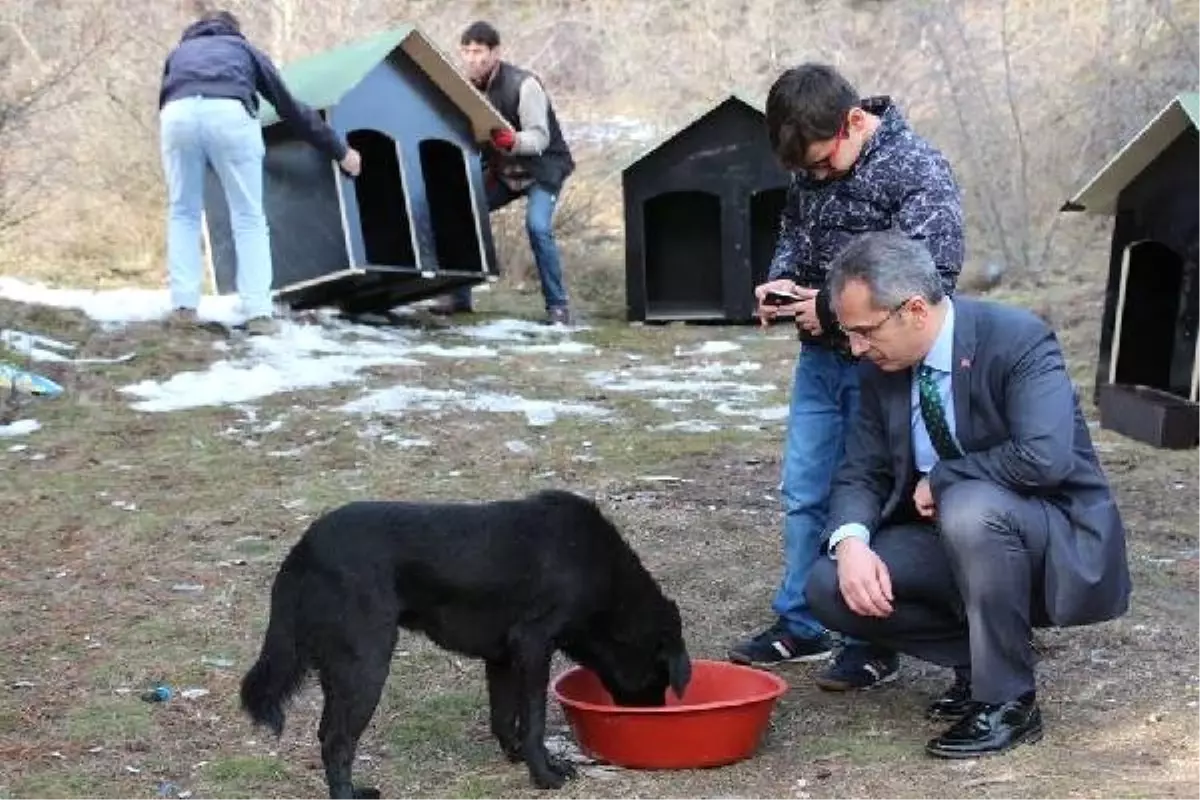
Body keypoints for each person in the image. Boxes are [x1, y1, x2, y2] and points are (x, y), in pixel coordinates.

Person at [805, 231, 1131, 757]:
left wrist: (944, 479)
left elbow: (1045, 457)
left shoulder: (1016, 338)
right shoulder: (880, 369)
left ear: (913, 309)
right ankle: (982, 660)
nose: (857, 348)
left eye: (864, 331)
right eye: (850, 335)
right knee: (827, 585)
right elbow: (859, 472)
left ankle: (1009, 702)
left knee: (968, 505)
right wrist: (850, 545)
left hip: (1046, 533)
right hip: (947, 535)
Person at [729, 63, 965, 694]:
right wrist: (781, 280)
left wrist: (830, 308)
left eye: (823, 165)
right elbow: (792, 230)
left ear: (855, 121)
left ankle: (871, 641)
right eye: (803, 171)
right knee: (805, 490)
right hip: (820, 360)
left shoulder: (919, 170)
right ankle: (803, 620)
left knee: (877, 495)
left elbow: (934, 273)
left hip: (886, 365)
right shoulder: (814, 159)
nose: (815, 177)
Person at [158, 9, 361, 336]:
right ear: (234, 30)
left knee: (183, 212)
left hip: (176, 116)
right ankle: (258, 313)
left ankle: (183, 307)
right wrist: (341, 151)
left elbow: (167, 99)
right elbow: (290, 109)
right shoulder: (244, 50)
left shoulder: (180, 52)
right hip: (229, 114)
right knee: (248, 215)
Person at [432, 21, 576, 326]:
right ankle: (458, 296)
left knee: (538, 228)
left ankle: (558, 306)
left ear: (495, 52)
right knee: (460, 210)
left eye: (479, 51)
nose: (473, 59)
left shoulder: (524, 85)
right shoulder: (465, 87)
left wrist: (513, 141)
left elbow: (540, 137)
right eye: (467, 51)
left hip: (543, 170)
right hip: (503, 172)